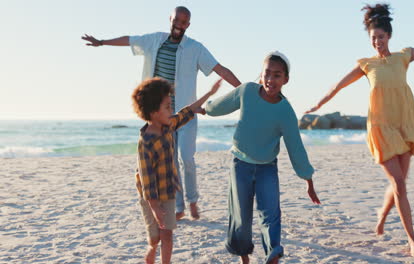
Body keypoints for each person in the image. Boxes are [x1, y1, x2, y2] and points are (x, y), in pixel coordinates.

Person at [305, 3, 414, 257]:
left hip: (404, 125)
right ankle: (412, 240)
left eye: (381, 37)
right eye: (373, 38)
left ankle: (382, 214)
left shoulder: (404, 57)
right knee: (400, 183)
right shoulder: (366, 65)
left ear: (389, 36)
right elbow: (338, 85)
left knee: (399, 182)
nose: (377, 42)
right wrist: (318, 104)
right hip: (380, 128)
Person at [82, 6, 241, 220]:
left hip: (185, 115)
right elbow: (130, 40)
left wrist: (244, 90)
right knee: (172, 162)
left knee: (187, 158)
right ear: (171, 19)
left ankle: (193, 200)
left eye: (184, 22)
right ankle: (179, 207)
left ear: (188, 25)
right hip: (162, 118)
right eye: (177, 20)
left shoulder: (196, 48)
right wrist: (102, 42)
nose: (179, 25)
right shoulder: (154, 40)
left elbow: (220, 69)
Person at [205, 51, 321, 264]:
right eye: (267, 73)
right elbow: (221, 105)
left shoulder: (285, 111)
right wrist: (204, 108)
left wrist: (308, 180)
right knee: (241, 216)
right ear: (261, 74)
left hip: (267, 167)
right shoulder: (247, 91)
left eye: (277, 75)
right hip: (240, 165)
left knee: (271, 214)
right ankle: (245, 259)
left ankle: (273, 253)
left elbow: (296, 148)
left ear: (286, 79)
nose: (271, 79)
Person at [132, 77, 222, 264]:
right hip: (150, 198)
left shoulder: (168, 125)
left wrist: (210, 94)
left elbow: (187, 112)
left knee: (167, 234)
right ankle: (151, 248)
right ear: (154, 111)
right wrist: (155, 207)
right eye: (167, 107)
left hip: (168, 191)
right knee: (155, 236)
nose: (171, 110)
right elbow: (147, 178)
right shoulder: (146, 142)